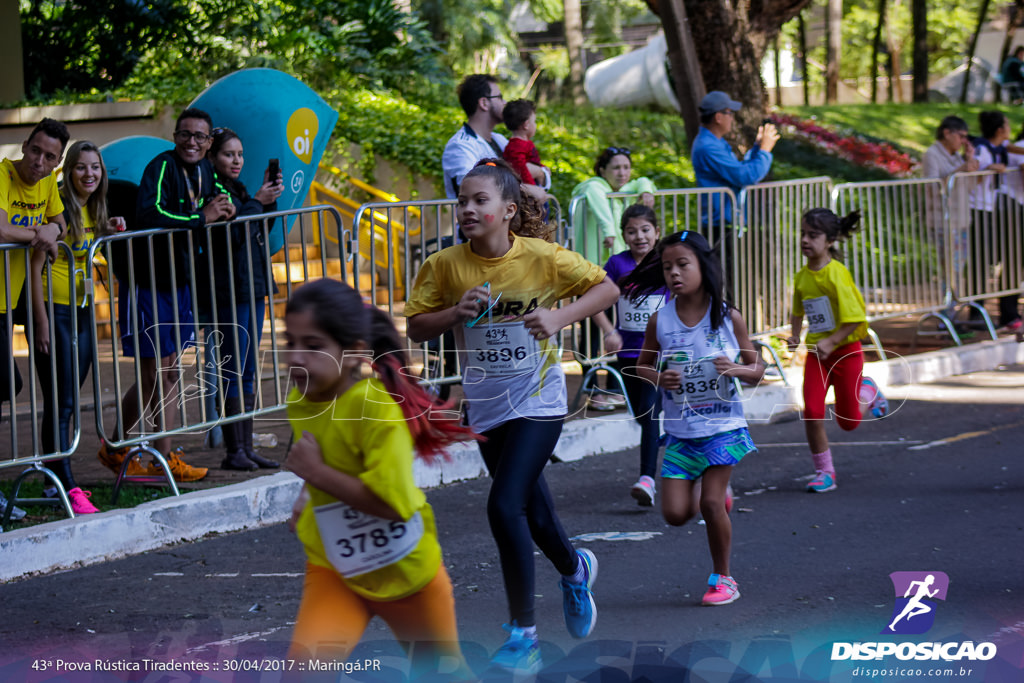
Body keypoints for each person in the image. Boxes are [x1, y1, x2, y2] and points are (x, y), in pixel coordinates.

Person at [405, 159, 619, 674]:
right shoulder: (445, 265)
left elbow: (606, 287)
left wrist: (559, 316)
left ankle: (523, 635)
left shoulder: (543, 259)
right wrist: (455, 313)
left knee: (504, 507)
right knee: (533, 513)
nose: (468, 209)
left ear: (508, 210)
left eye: (480, 201)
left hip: (539, 398)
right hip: (485, 404)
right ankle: (574, 569)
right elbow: (416, 328)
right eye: (462, 201)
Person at [282, 278, 475, 678]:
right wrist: (308, 489)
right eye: (290, 342)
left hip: (407, 574)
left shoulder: (376, 410)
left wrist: (317, 473)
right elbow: (328, 448)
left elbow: (393, 505)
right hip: (336, 570)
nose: (296, 358)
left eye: (314, 346)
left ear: (353, 353)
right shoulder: (302, 398)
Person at [620, 229, 763, 606]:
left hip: (723, 426)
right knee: (675, 514)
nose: (674, 274)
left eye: (683, 264)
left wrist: (736, 369)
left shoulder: (729, 317)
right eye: (667, 267)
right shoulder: (661, 320)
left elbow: (757, 369)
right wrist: (659, 376)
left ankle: (724, 578)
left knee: (711, 505)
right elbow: (642, 365)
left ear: (703, 265)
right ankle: (709, 492)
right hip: (681, 433)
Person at [99, 107, 235, 482]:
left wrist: (228, 204)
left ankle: (117, 448)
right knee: (162, 374)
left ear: (209, 143)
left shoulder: (205, 169)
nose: (191, 142)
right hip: (148, 281)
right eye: (184, 134)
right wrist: (200, 218)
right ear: (175, 137)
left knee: (161, 374)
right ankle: (161, 458)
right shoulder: (161, 167)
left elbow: (218, 194)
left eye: (199, 137)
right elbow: (150, 215)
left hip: (179, 281)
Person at [30, 142, 125, 514]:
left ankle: (56, 477)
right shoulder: (60, 209)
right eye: (81, 167)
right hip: (53, 310)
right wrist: (40, 323)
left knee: (71, 397)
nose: (89, 174)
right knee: (60, 399)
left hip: (82, 309)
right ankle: (63, 482)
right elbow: (38, 263)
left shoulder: (94, 206)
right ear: (68, 171)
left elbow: (93, 241)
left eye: (96, 168)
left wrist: (111, 227)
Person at [785, 208, 888, 494]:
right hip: (818, 356)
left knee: (849, 423)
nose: (805, 240)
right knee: (812, 411)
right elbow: (797, 309)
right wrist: (795, 335)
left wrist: (832, 341)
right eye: (802, 234)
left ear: (829, 240)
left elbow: (856, 318)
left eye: (813, 235)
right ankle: (824, 471)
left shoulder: (836, 274)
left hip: (846, 352)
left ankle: (867, 389)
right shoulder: (802, 276)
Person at [201, 127, 283, 471]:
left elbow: (257, 227)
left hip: (252, 283)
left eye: (239, 155)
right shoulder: (211, 190)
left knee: (248, 369)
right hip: (228, 287)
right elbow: (232, 232)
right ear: (213, 157)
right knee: (234, 367)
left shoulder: (240, 189)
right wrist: (255, 203)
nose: (236, 161)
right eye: (228, 154)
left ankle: (245, 447)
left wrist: (267, 200)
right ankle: (234, 449)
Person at [592, 204, 667, 504]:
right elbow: (594, 299)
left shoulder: (664, 262)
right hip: (628, 352)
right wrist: (610, 331)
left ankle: (647, 479)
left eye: (646, 230)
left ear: (657, 232)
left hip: (660, 352)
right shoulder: (617, 264)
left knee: (649, 412)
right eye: (632, 231)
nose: (639, 236)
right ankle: (669, 441)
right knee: (640, 413)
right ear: (623, 235)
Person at [0, 118, 67, 426]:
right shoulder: (3, 174)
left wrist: (52, 230)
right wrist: (43, 235)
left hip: (15, 292)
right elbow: (1, 230)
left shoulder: (48, 181)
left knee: (54, 363)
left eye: (49, 157)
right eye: (35, 151)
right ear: (24, 147)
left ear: (57, 162)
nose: (39, 162)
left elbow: (62, 225)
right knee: (7, 382)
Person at [691, 91, 778, 280]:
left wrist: (757, 148)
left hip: (726, 223)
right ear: (718, 117)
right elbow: (745, 176)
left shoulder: (715, 142)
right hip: (719, 225)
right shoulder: (708, 146)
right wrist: (764, 151)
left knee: (732, 281)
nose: (733, 118)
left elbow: (739, 171)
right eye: (730, 113)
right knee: (726, 284)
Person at [968, 110, 1020, 332]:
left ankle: (987, 311)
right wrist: (988, 169)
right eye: (1007, 125)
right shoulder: (983, 149)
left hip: (992, 208)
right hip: (977, 208)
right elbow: (974, 173)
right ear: (1000, 129)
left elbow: (1011, 147)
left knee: (989, 260)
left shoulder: (1000, 148)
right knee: (980, 261)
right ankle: (974, 311)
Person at [921, 115, 978, 306]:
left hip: (960, 219)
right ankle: (947, 316)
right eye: (961, 136)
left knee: (957, 269)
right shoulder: (932, 154)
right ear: (947, 133)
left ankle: (953, 313)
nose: (963, 141)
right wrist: (961, 168)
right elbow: (933, 187)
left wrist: (969, 162)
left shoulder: (956, 158)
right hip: (943, 221)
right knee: (949, 269)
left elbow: (970, 187)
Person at [570, 146, 656, 266]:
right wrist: (609, 232)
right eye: (616, 168)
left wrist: (646, 191)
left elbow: (643, 181)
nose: (622, 173)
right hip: (591, 261)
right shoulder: (593, 186)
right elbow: (594, 190)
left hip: (617, 258)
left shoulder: (625, 191)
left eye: (626, 167)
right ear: (603, 171)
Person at [502, 99, 547, 185]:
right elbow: (521, 170)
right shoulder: (515, 147)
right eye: (534, 121)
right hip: (525, 192)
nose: (535, 125)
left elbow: (531, 161)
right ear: (526, 125)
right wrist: (532, 188)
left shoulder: (524, 143)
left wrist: (542, 167)